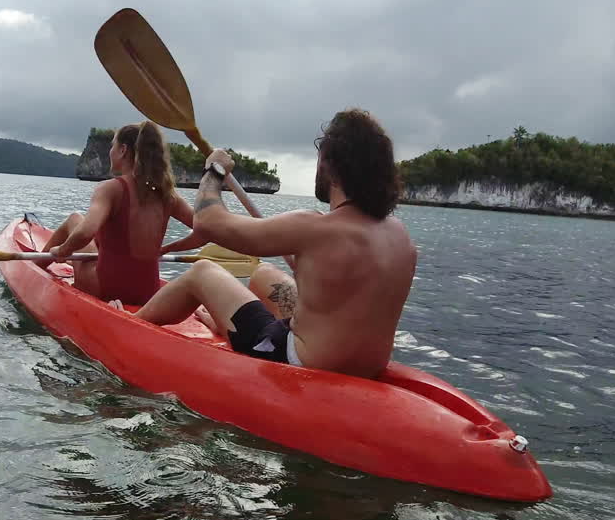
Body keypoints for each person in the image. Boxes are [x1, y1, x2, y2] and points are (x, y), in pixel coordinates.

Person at [134, 109, 417, 378]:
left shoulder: (314, 227)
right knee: (263, 274)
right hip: (364, 366)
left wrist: (215, 171)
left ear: (331, 166)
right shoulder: (400, 236)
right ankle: (226, 323)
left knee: (203, 272)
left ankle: (128, 324)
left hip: (297, 361)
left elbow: (207, 221)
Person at [42, 121, 195, 305]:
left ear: (122, 150)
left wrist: (62, 250)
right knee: (100, 242)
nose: (110, 151)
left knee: (75, 219)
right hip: (148, 294)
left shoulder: (110, 189)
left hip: (105, 289)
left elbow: (85, 232)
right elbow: (204, 227)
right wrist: (171, 247)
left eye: (112, 146)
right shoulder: (167, 195)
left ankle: (35, 266)